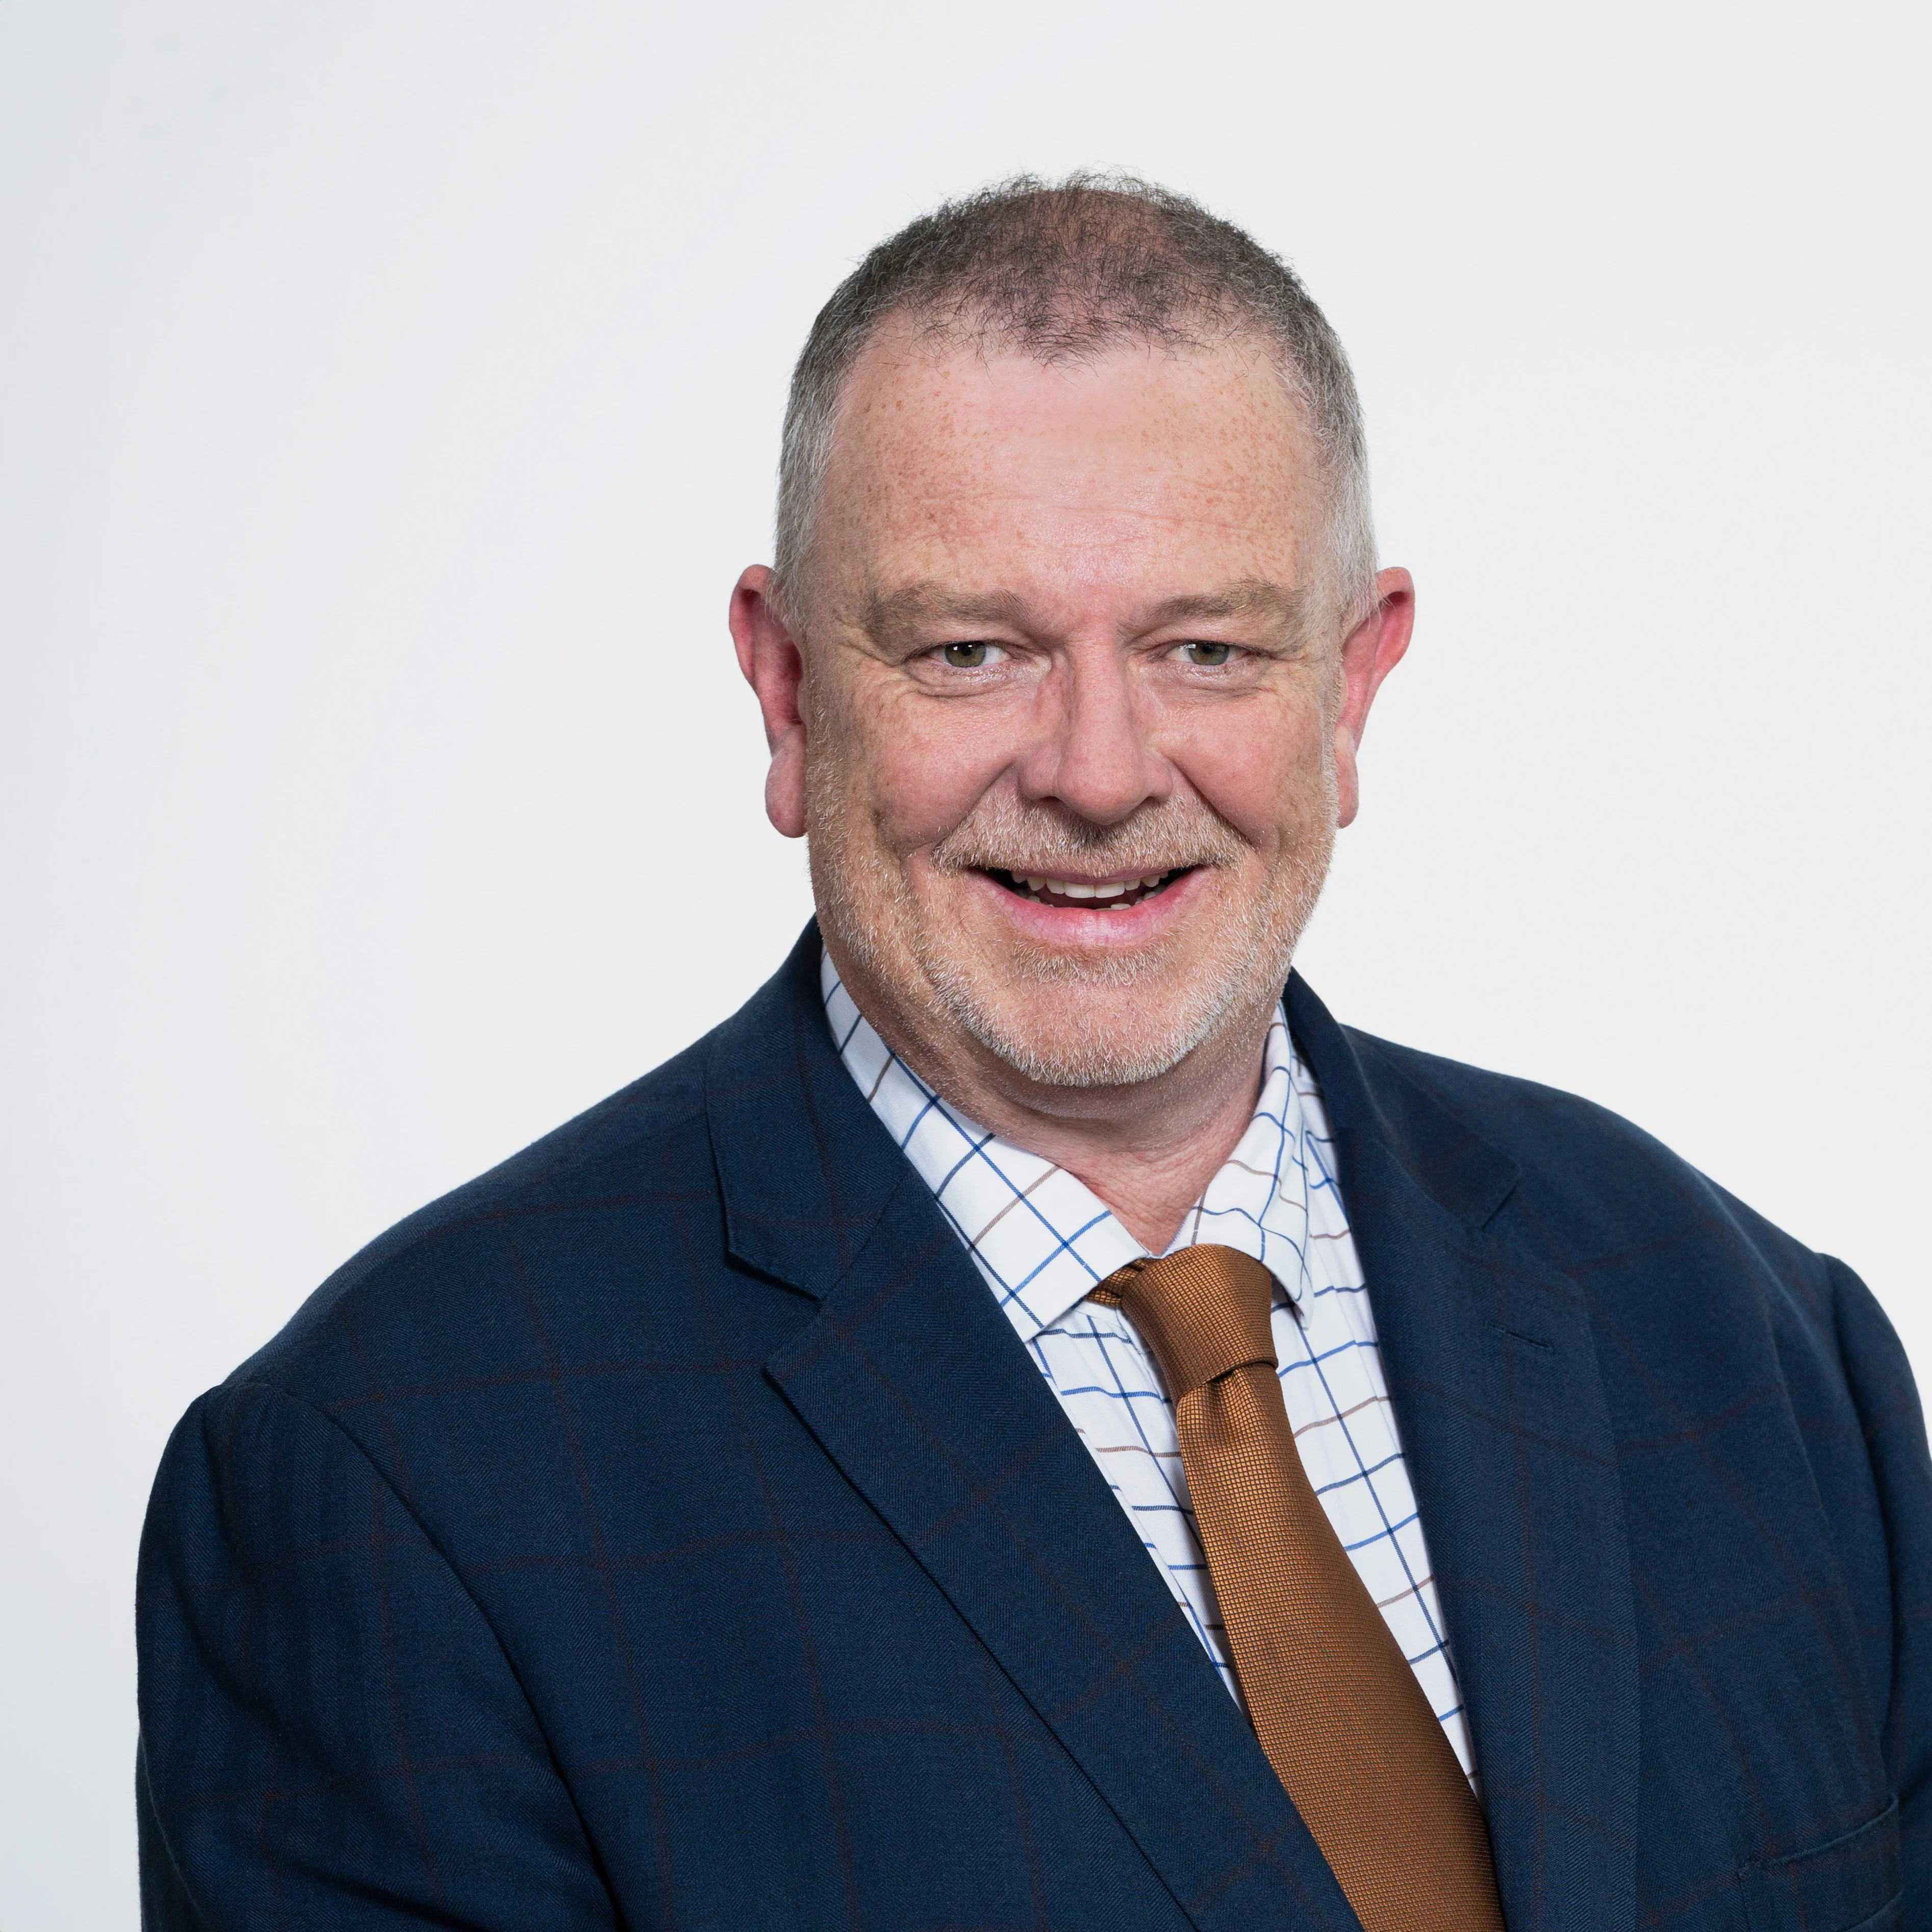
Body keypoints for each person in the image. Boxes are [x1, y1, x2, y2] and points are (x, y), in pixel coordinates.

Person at [136, 175, 1928, 1932]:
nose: (1093, 768)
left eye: (1206, 648)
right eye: (971, 649)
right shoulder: (390, 1484)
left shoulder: (1760, 1348)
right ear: (784, 692)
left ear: (1353, 686)